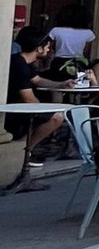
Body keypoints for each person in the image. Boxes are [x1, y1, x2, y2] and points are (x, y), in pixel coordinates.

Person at [4, 25, 65, 188]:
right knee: (57, 117)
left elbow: (38, 80)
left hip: (16, 108)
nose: (49, 50)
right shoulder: (20, 67)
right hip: (12, 111)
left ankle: (25, 150)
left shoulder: (21, 61)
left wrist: (62, 84)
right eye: (47, 47)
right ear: (39, 48)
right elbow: (29, 100)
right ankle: (23, 151)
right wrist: (48, 109)